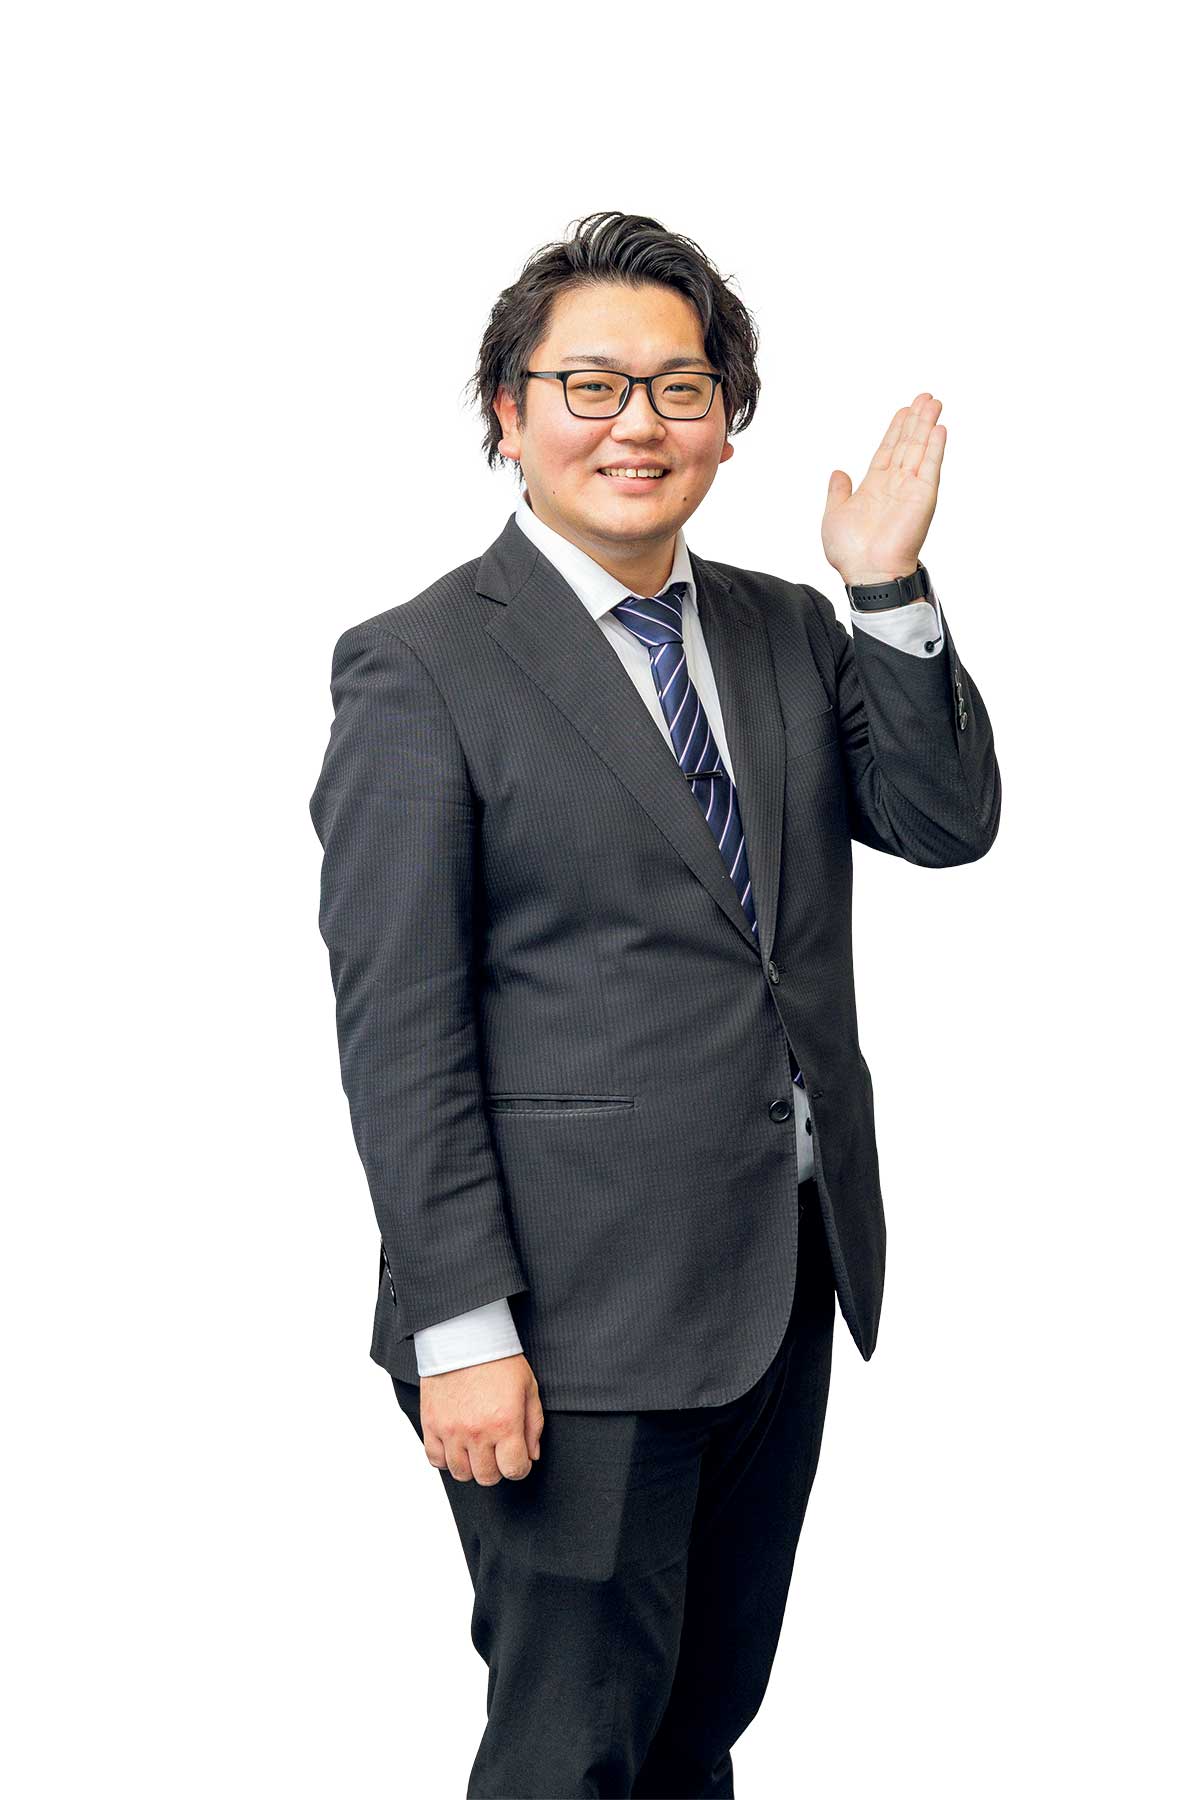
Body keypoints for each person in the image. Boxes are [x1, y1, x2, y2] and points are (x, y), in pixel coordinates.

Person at [308, 209, 1000, 1798]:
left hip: (780, 1280)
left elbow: (945, 819)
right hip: (564, 1322)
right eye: (592, 385)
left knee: (698, 1730)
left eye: (682, 389)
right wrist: (460, 1326)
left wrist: (885, 587)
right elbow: (399, 1031)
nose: (639, 424)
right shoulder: (421, 667)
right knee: (574, 1749)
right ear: (510, 411)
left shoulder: (784, 627)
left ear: (725, 424)